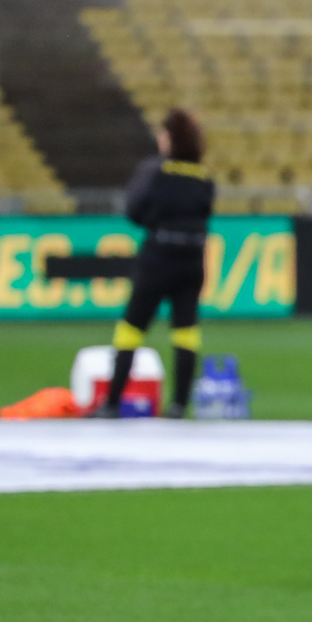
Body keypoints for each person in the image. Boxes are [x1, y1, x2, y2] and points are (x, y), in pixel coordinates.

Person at [95, 108, 214, 419]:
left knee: (131, 328)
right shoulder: (203, 176)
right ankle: (178, 405)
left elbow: (133, 209)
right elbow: (204, 213)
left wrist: (155, 221)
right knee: (186, 331)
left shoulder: (156, 170)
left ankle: (112, 403)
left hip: (159, 257)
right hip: (191, 261)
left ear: (170, 138)